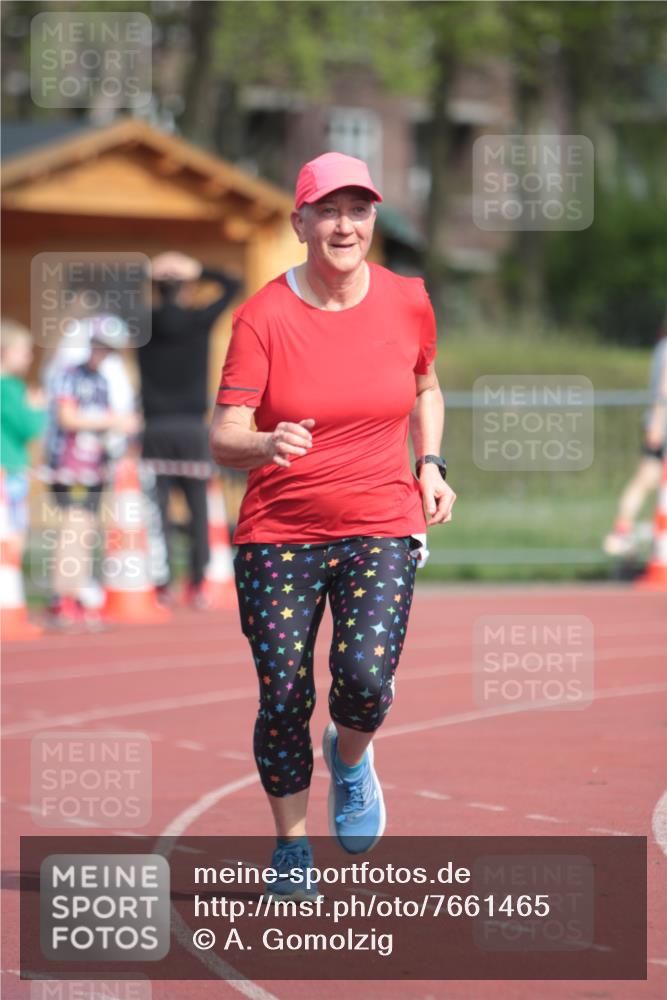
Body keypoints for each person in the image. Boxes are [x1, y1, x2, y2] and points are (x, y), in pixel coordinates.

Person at [209, 152, 456, 897]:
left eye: (358, 209)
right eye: (328, 210)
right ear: (300, 223)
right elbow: (224, 436)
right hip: (278, 532)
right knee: (284, 695)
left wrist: (431, 464)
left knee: (363, 680)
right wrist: (264, 444)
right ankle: (291, 848)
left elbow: (426, 385)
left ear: (373, 219)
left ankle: (349, 759)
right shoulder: (262, 316)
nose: (344, 225)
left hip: (381, 520)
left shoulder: (408, 299)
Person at [138, 253, 242, 608]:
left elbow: (111, 294)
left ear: (156, 289)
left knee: (158, 510)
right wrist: (198, 268)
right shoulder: (199, 320)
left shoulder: (143, 324)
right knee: (199, 508)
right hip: (192, 427)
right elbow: (233, 284)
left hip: (154, 427)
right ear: (186, 289)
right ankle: (198, 583)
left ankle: (163, 583)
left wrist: (146, 272)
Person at [45, 316, 140, 628]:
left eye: (110, 350)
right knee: (74, 528)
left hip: (95, 466)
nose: (104, 354)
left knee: (86, 531)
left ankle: (77, 595)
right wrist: (114, 421)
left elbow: (109, 420)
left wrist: (120, 432)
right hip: (69, 466)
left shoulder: (102, 381)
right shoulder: (69, 375)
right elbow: (68, 418)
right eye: (101, 346)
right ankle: (62, 598)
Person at [603, 324, 667, 556]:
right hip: (662, 425)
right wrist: (657, 423)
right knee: (645, 479)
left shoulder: (661, 346)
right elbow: (664, 388)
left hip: (658, 423)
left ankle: (623, 532)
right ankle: (621, 533)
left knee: (646, 479)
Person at [0, 319, 47, 540]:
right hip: (9, 470)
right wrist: (37, 409)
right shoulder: (10, 388)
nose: (30, 357)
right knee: (12, 535)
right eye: (24, 351)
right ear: (4, 352)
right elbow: (28, 428)